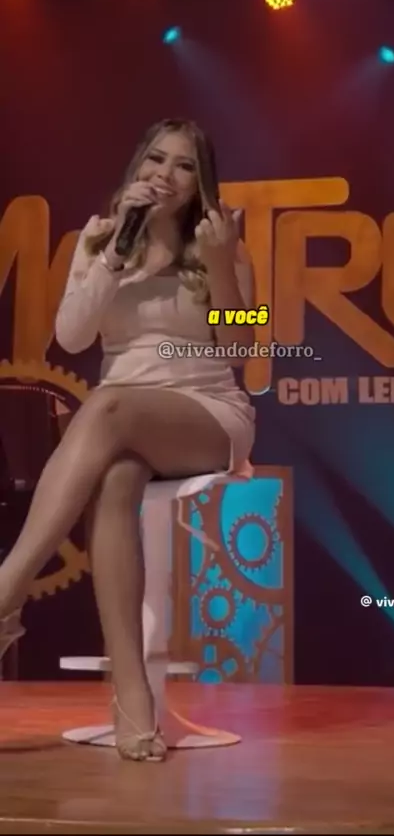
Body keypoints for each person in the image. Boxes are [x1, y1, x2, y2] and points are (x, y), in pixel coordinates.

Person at [0, 119, 256, 762]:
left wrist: (220, 263)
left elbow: (243, 348)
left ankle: (6, 591)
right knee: (114, 479)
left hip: (206, 411)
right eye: (155, 160)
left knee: (107, 405)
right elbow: (72, 337)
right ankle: (133, 701)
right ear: (137, 167)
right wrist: (113, 257)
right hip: (119, 423)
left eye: (184, 166)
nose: (164, 175)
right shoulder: (99, 240)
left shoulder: (222, 243)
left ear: (202, 182)